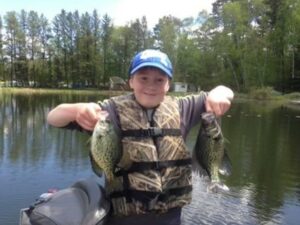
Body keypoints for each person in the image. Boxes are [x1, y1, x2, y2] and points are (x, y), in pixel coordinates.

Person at [47, 49, 234, 225]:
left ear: (168, 84)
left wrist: (218, 93)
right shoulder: (110, 111)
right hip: (123, 219)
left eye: (159, 80)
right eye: (143, 78)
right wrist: (78, 109)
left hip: (170, 218)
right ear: (131, 81)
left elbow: (225, 91)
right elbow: (54, 117)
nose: (151, 86)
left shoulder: (184, 108)